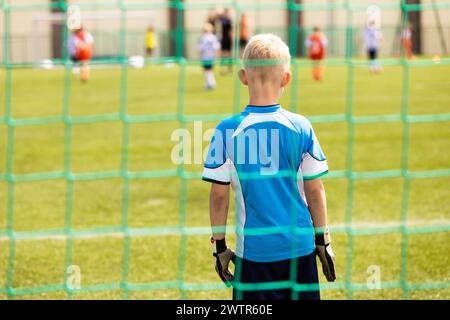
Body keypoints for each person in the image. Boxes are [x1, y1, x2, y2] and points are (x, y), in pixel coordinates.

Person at [202, 34, 336, 300]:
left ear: (243, 77)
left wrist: (219, 247)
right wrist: (323, 240)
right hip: (299, 250)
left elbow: (219, 195)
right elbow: (315, 190)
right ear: (286, 78)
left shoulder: (226, 130)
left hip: (253, 254)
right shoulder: (301, 126)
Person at [198, 23, 221, 90]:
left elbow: (200, 48)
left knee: (206, 70)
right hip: (211, 56)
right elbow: (216, 48)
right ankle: (209, 83)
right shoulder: (213, 37)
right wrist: (217, 56)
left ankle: (210, 83)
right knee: (210, 70)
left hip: (205, 56)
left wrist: (200, 56)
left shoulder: (202, 38)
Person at [219, 8, 233, 73]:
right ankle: (222, 69)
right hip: (223, 39)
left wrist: (231, 39)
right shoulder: (222, 19)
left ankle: (229, 68)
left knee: (229, 54)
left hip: (228, 39)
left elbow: (230, 31)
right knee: (222, 54)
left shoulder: (229, 20)